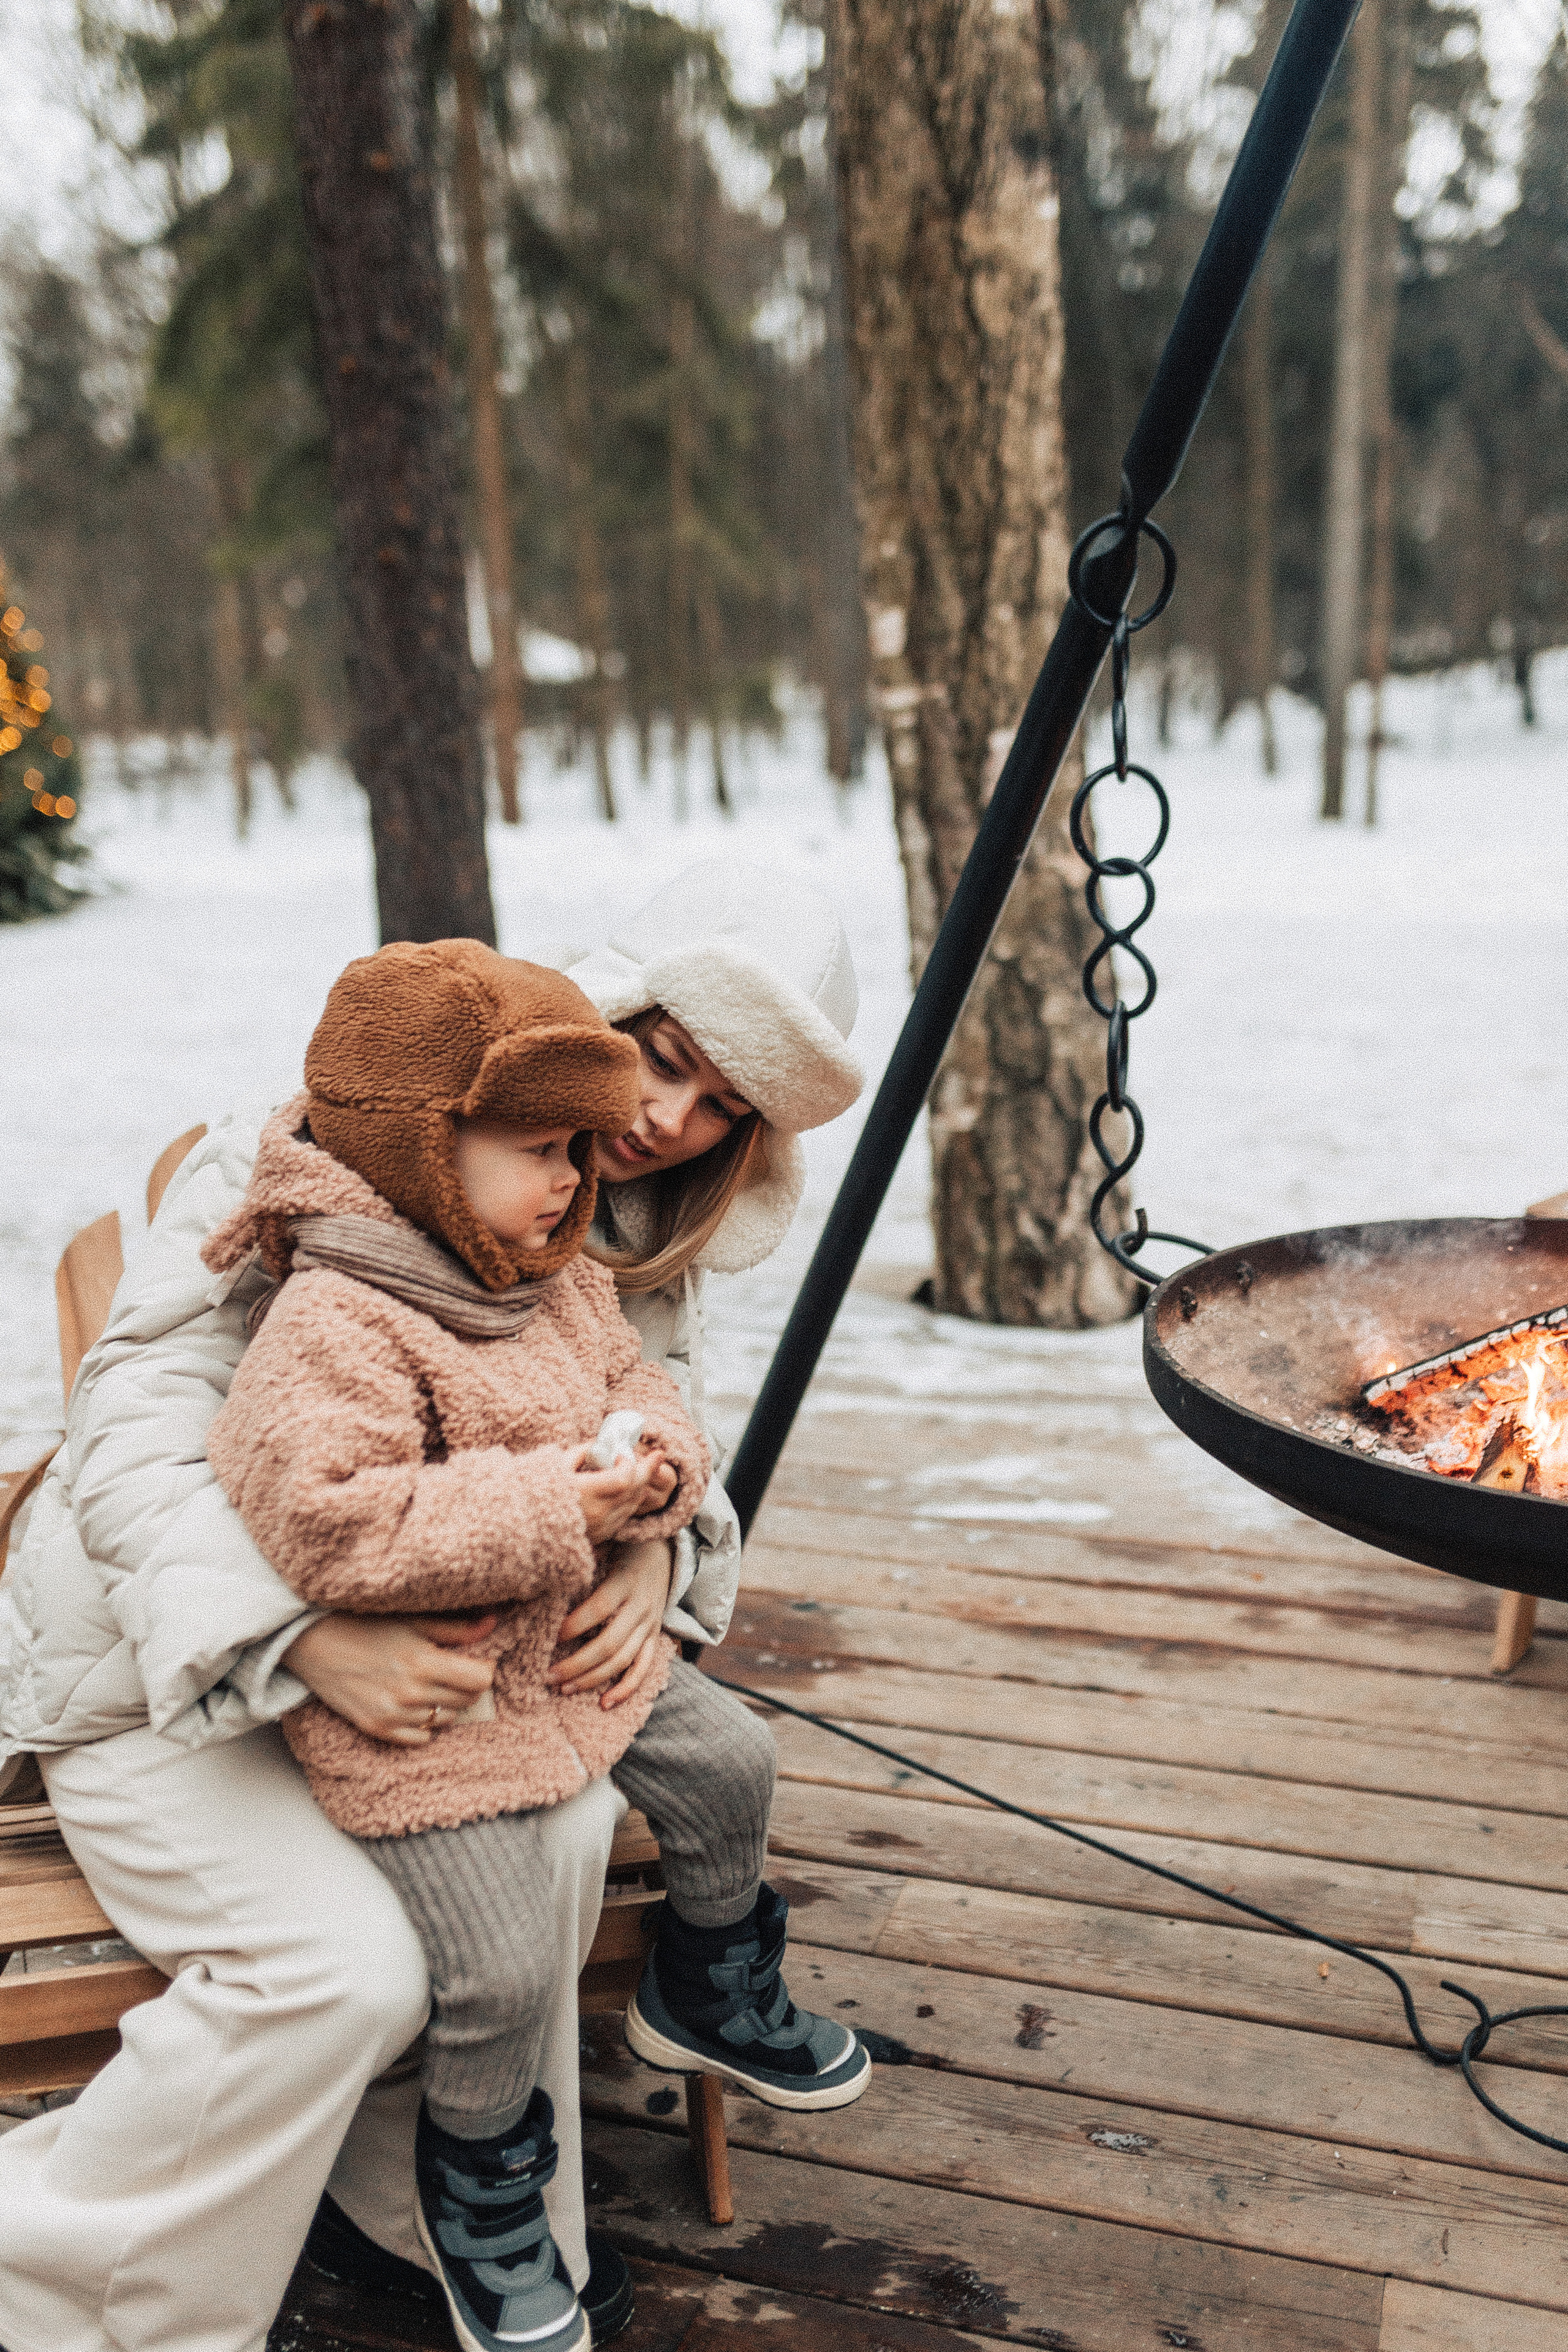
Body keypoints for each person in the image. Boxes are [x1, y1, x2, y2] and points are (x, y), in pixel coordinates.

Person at [0, 859, 865, 2352]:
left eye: (720, 1103)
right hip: (172, 1658)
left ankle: (427, 2210)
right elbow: (135, 1424)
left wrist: (656, 1555)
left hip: (460, 1653)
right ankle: (70, 2288)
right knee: (338, 1973)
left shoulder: (607, 1219)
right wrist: (302, 1637)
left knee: (563, 1823)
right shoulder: (330, 1151)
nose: (668, 1117)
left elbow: (657, 1429)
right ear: (611, 1009)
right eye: (662, 1058)